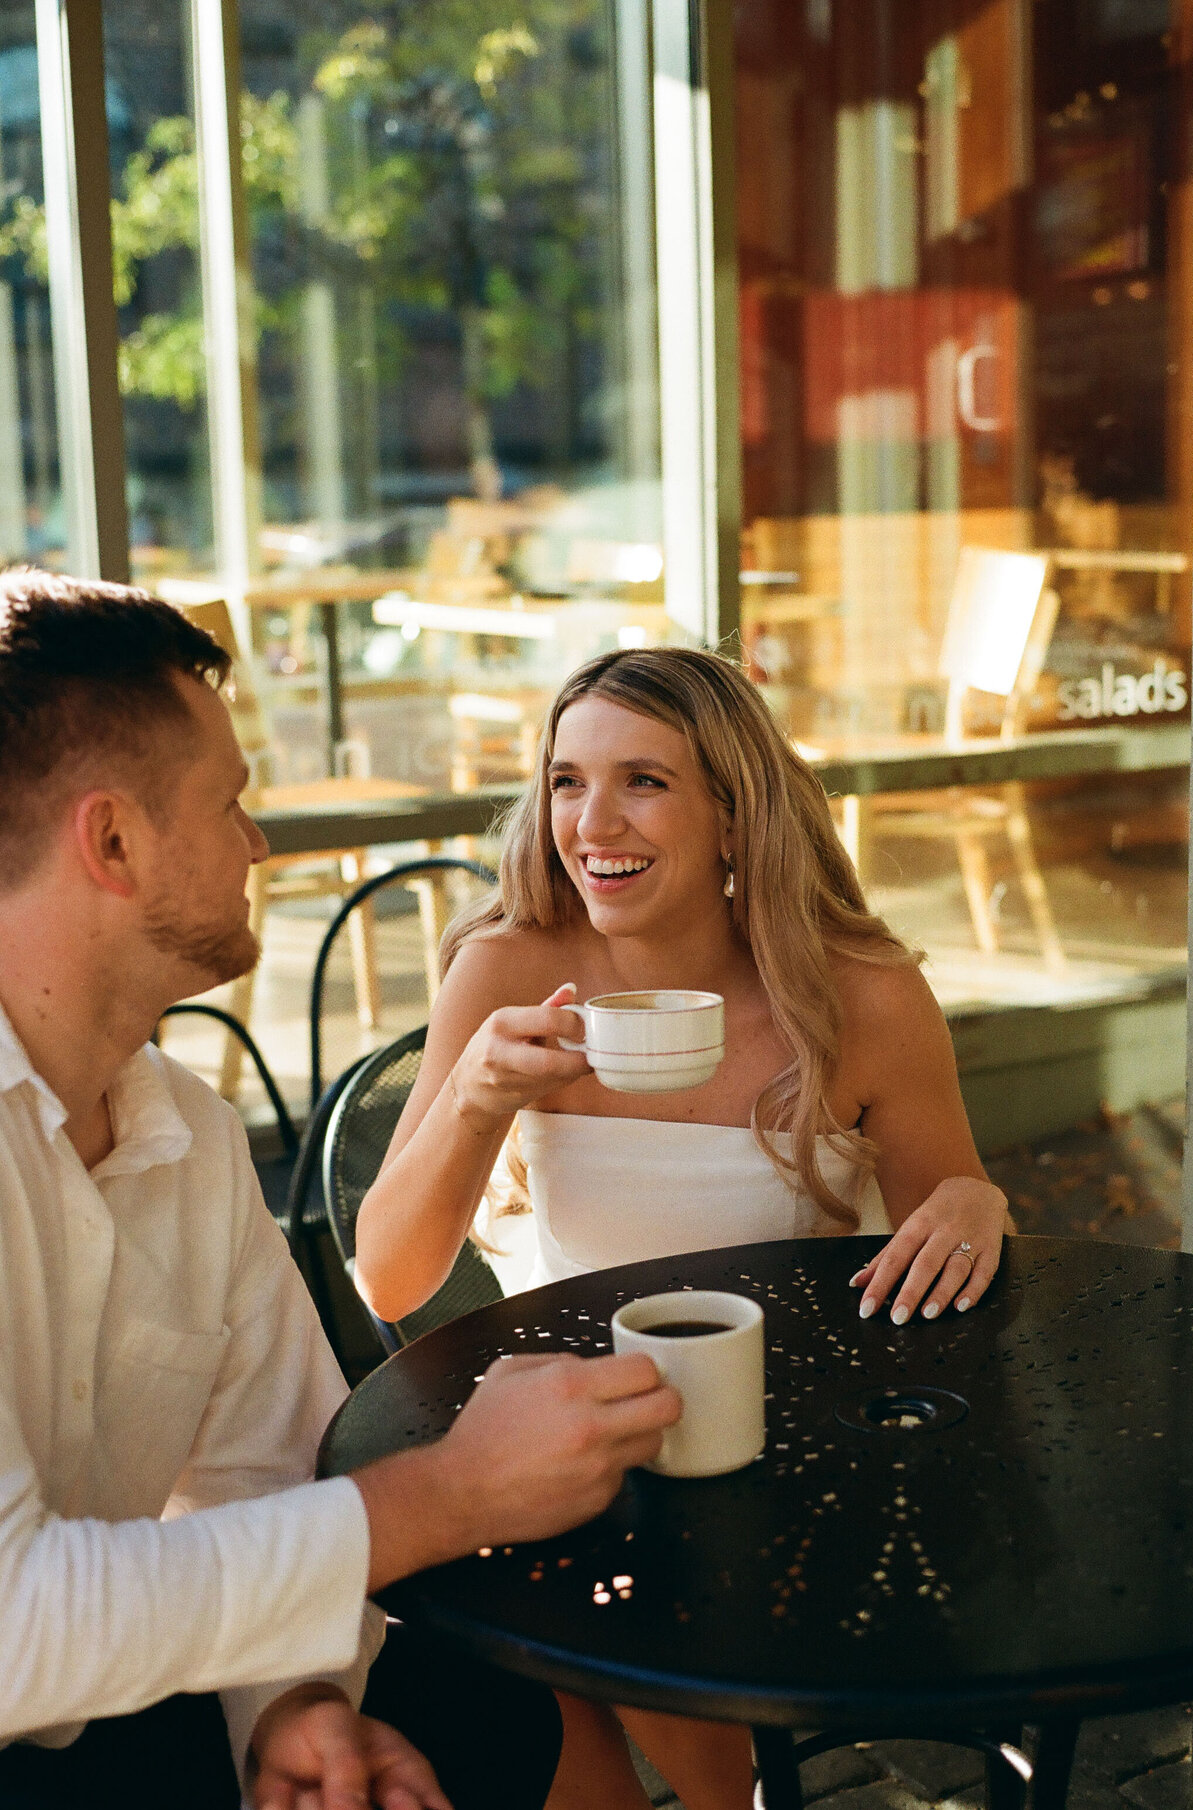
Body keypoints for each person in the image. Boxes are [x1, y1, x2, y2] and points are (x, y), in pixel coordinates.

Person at [0, 571, 681, 1810]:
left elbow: (265, 1461)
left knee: (486, 1714)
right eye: (231, 803)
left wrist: (295, 1708)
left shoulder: (190, 1138)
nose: (257, 843)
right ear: (112, 841)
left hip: (94, 1707)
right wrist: (456, 1488)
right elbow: (13, 1629)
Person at [354, 645, 1009, 1810]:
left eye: (644, 780)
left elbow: (949, 1248)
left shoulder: (859, 994)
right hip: (564, 1434)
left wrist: (977, 1199)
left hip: (790, 1447)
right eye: (565, 779)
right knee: (537, 1654)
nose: (590, 821)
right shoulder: (510, 965)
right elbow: (390, 1272)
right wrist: (474, 1097)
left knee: (640, 1654)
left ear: (734, 819)